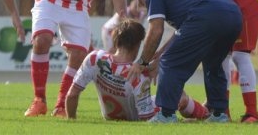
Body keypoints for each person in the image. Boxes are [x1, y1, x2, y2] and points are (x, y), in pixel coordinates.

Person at [128, 0, 242, 123]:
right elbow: (182, 34)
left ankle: (166, 115)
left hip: (208, 13)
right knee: (213, 64)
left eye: (141, 2)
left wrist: (142, 62)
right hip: (233, 15)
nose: (145, 6)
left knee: (170, 62)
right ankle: (219, 114)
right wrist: (159, 56)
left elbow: (156, 30)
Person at [171, 0, 258, 123]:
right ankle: (223, 111)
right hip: (234, 6)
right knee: (221, 56)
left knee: (240, 55)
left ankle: (252, 113)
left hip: (249, 2)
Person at [66, 19, 209, 121]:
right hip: (133, 118)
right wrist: (181, 123)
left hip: (109, 116)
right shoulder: (138, 75)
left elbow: (71, 95)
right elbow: (147, 119)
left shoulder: (94, 58)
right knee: (179, 96)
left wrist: (72, 120)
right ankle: (205, 115)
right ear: (137, 45)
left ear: (116, 41)